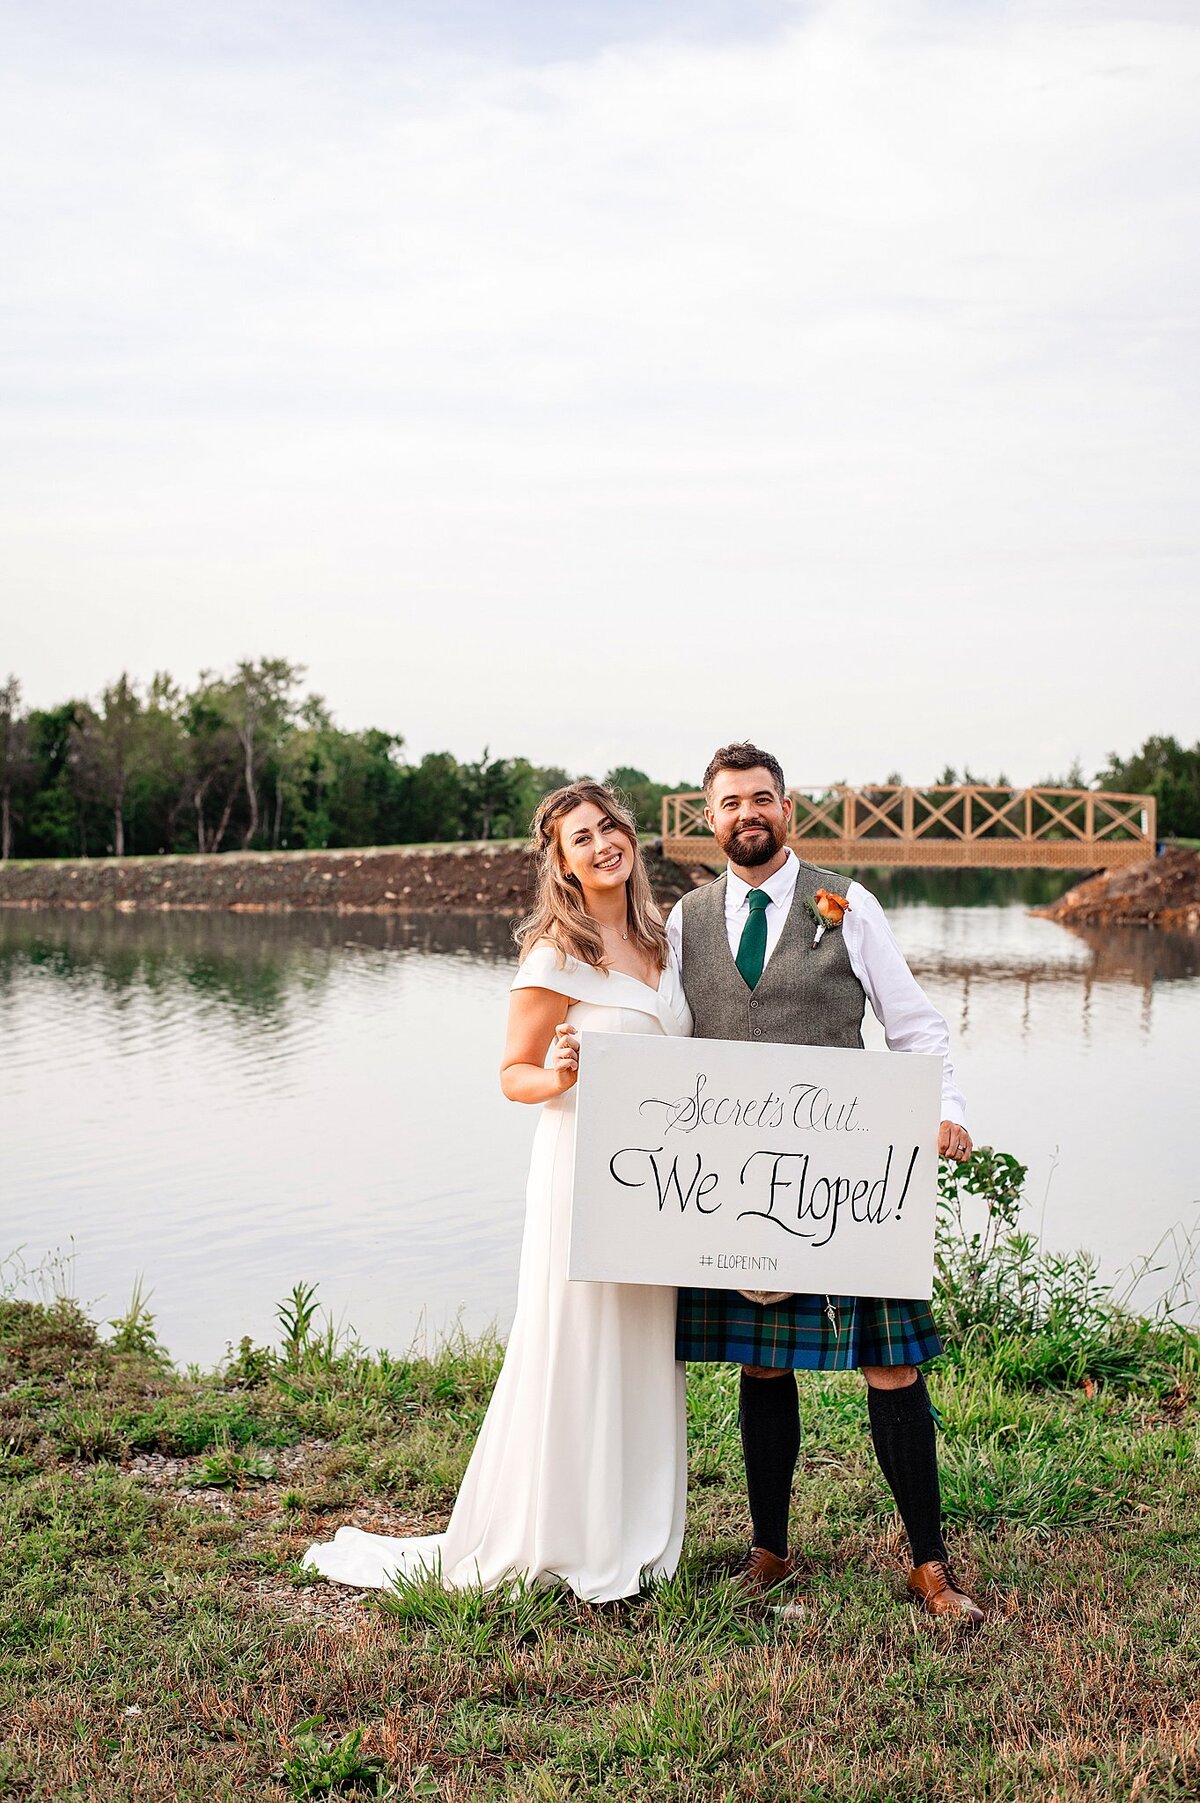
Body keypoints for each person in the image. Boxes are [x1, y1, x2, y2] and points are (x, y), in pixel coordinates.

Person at [303, 781, 692, 1603]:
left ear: (629, 835)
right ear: (560, 862)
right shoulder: (556, 951)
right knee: (577, 1344)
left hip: (654, 1189)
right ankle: (558, 1533)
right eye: (579, 838)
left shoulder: (666, 941)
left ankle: (633, 1532)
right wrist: (556, 1072)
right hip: (581, 1169)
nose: (600, 844)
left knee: (641, 1347)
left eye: (608, 827)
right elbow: (513, 1072)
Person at [668, 742, 984, 1624]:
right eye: (729, 803)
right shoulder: (683, 919)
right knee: (763, 1363)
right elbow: (657, 1036)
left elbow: (914, 1025)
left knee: (891, 1362)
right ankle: (770, 1549)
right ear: (709, 817)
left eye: (761, 798)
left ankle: (929, 1564)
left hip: (849, 1173)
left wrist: (945, 1107)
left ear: (787, 806)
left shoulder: (849, 903)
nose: (747, 815)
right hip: (741, 1181)